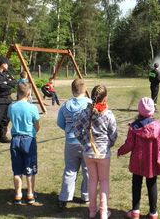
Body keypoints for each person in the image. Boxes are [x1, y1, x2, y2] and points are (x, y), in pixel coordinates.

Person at [117, 97, 160, 219]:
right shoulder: (158, 126)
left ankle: (135, 211)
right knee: (152, 184)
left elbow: (129, 144)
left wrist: (121, 151)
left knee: (136, 184)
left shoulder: (134, 127)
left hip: (138, 162)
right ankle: (153, 213)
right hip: (151, 162)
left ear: (139, 111)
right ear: (152, 111)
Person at [74, 85, 118, 219]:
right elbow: (114, 134)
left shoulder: (84, 112)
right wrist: (108, 144)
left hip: (89, 153)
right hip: (103, 154)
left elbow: (76, 131)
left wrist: (85, 143)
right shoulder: (109, 114)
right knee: (103, 181)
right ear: (105, 98)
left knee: (92, 181)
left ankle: (92, 211)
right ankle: (103, 212)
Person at [57, 78, 92, 209]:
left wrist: (69, 131)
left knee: (70, 169)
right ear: (85, 89)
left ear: (72, 90)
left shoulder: (65, 105)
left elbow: (60, 122)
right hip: (86, 142)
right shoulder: (90, 104)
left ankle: (64, 198)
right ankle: (86, 196)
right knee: (87, 170)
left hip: (70, 141)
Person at [8, 83, 40, 205]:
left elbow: (11, 119)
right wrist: (32, 131)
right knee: (30, 169)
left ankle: (18, 195)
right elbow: (37, 126)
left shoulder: (11, 107)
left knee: (17, 170)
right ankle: (30, 194)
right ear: (28, 93)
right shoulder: (32, 108)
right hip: (28, 140)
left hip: (15, 140)